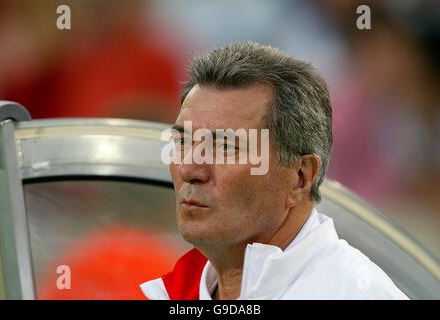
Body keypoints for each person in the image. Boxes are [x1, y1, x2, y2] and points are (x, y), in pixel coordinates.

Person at [140, 42, 408, 300]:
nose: (189, 168)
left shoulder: (358, 293)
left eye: (224, 146)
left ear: (301, 177)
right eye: (183, 141)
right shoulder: (173, 291)